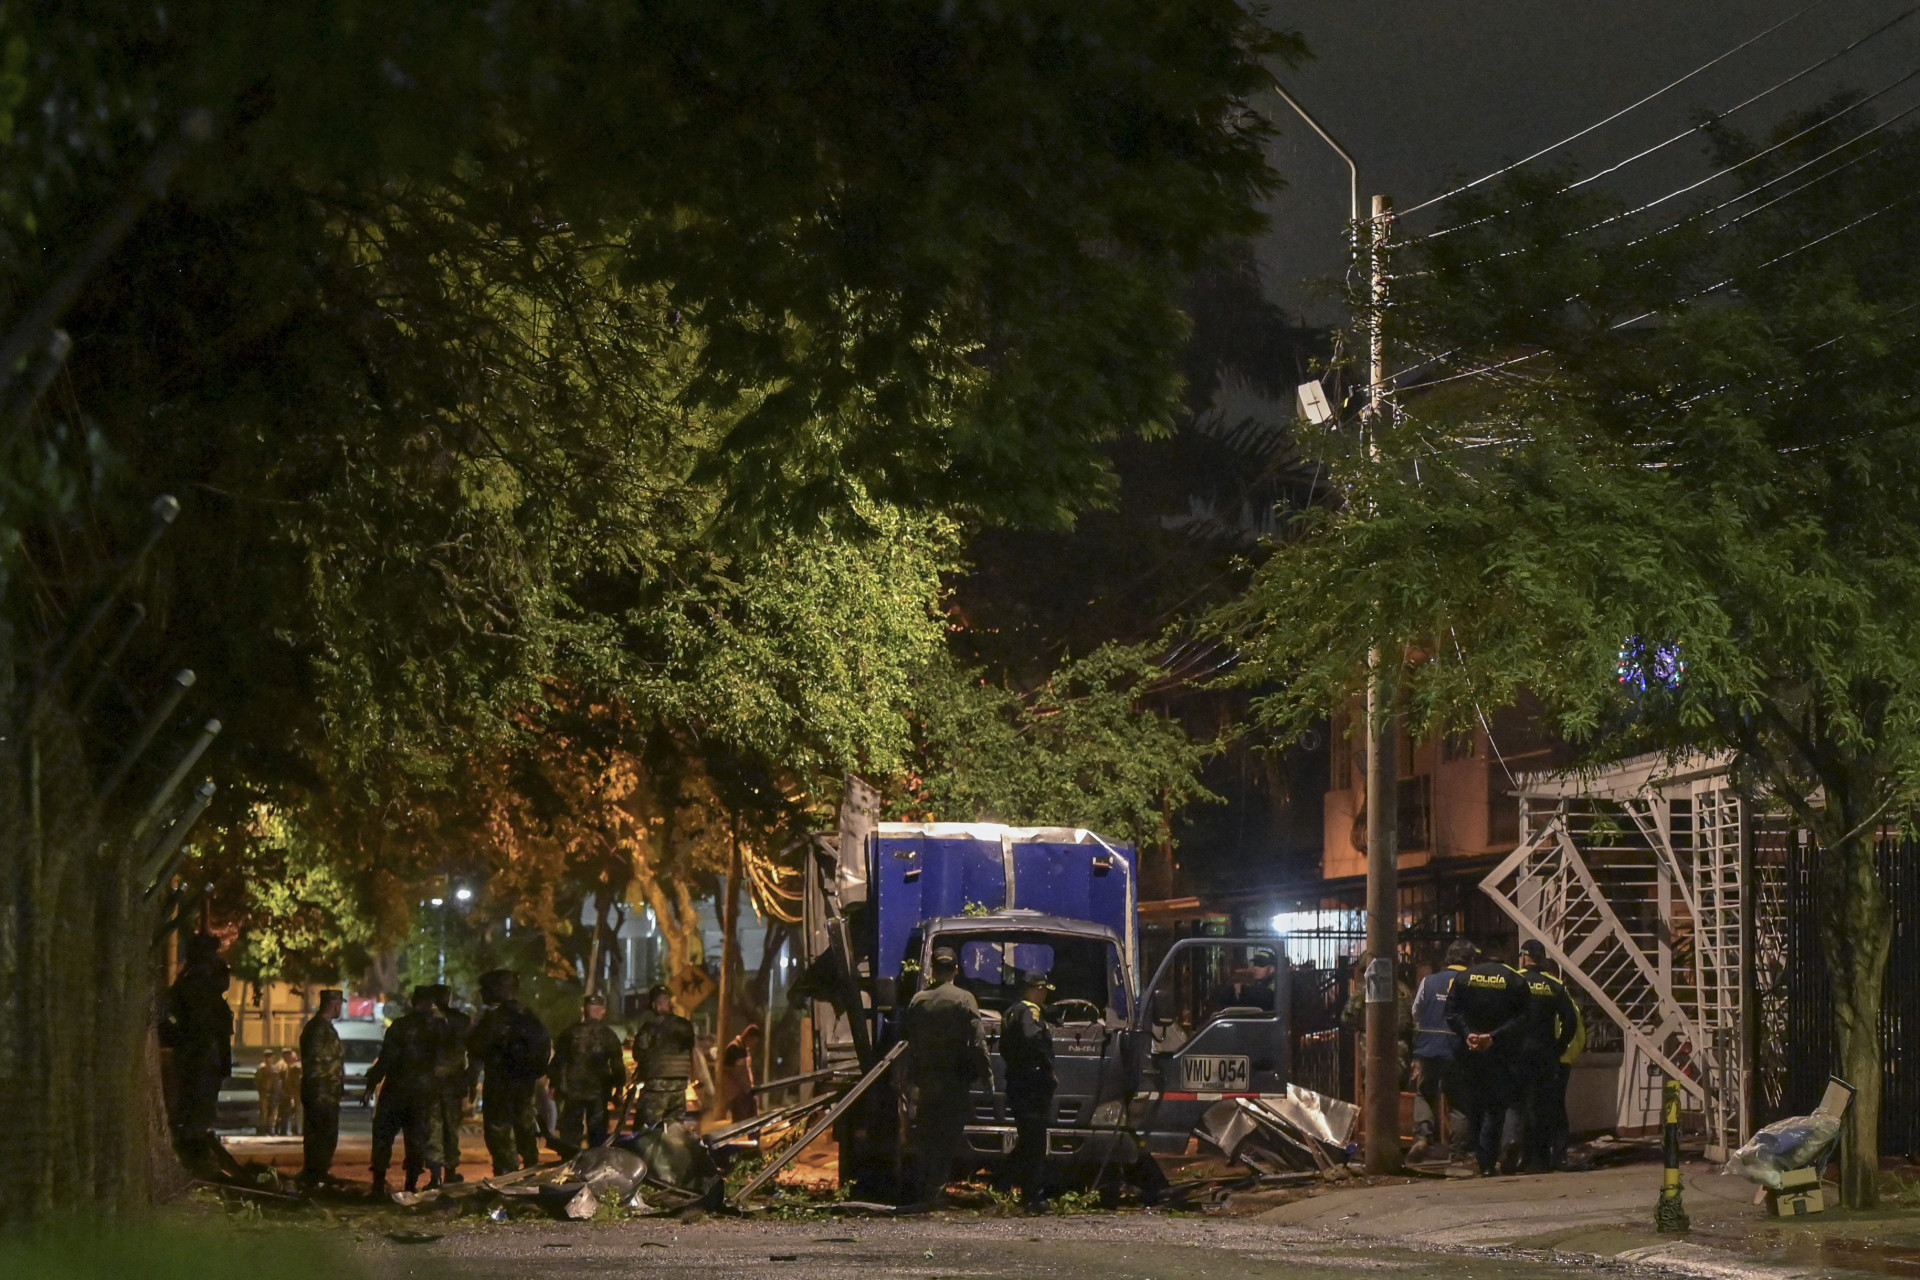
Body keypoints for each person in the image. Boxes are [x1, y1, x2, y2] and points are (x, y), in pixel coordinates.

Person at [903, 947, 991, 1206]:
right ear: (956, 969)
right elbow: (978, 1042)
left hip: (927, 1081)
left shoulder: (918, 1000)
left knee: (927, 1137)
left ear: (932, 969)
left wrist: (906, 1079)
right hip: (954, 1082)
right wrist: (987, 1076)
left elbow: (908, 1042)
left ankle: (923, 1190)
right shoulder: (964, 999)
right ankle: (937, 1190)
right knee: (947, 1138)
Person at [1443, 949, 1533, 1177]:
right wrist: (1494, 1037)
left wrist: (1468, 1034)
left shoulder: (1464, 977)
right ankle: (1499, 1151)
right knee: (1496, 1107)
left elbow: (1451, 1012)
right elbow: (1523, 1018)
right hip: (1502, 1052)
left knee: (1474, 1105)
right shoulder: (1515, 979)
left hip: (1470, 1052)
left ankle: (1483, 1161)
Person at [159, 931, 235, 1175]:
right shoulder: (196, 982)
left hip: (203, 1052)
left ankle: (196, 1152)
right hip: (199, 1053)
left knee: (199, 1107)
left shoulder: (197, 981)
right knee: (196, 1107)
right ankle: (194, 1159)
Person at [468, 968, 552, 1175]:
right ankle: (530, 1166)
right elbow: (544, 1045)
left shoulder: (494, 1018)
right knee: (524, 1125)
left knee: (498, 1130)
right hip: (523, 1083)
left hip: (500, 1084)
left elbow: (477, 1045)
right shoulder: (528, 1015)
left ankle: (506, 1174)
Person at [366, 986, 448, 1195]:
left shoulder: (401, 1027)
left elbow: (387, 1058)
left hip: (396, 1089)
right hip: (423, 1092)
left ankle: (379, 1182)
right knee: (416, 1139)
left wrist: (371, 1083)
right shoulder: (440, 1027)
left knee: (383, 1136)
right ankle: (410, 1185)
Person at [1515, 939, 1583, 1173]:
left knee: (1523, 1105)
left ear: (1523, 957)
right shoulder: (1554, 985)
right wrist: (1559, 1045)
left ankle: (1527, 1158)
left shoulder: (1514, 981)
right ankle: (1545, 1159)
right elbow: (1571, 1021)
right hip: (1546, 1054)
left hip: (1519, 1053)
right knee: (1548, 1105)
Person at [1407, 939, 1476, 1165]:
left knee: (1425, 1093)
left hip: (1428, 1046)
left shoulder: (1429, 981)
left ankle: (1423, 1137)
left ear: (1448, 959)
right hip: (1456, 1048)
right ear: (1471, 960)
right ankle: (1457, 1153)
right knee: (1458, 1101)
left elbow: (1415, 1012)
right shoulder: (1472, 982)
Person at [999, 970, 1057, 1210]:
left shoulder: (1010, 1011)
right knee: (1035, 1143)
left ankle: (1006, 1180)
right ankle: (1033, 1196)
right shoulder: (1030, 1011)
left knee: (1028, 1138)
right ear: (1036, 988)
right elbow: (1033, 1038)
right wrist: (1047, 1067)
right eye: (1043, 990)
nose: (1044, 995)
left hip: (1017, 1082)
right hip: (1032, 1085)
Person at [550, 992, 627, 1155]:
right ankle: (594, 1165)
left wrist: (554, 1085)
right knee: (598, 1134)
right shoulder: (608, 1035)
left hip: (572, 1091)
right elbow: (617, 1065)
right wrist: (619, 1091)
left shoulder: (569, 1033)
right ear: (603, 1011)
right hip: (599, 1092)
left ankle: (569, 1164)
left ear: (583, 1010)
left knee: (571, 1133)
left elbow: (558, 1062)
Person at [297, 989, 346, 1189]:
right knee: (319, 1136)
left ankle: (319, 1173)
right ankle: (314, 1175)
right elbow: (321, 1062)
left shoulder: (324, 1028)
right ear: (333, 1004)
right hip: (320, 1093)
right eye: (340, 1004)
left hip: (326, 1093)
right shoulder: (317, 1029)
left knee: (326, 1136)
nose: (340, 1008)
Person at [630, 983, 696, 1127]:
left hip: (656, 1088)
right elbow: (691, 1050)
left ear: (654, 1005)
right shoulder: (685, 1026)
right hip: (679, 1088)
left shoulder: (650, 1027)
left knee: (646, 1131)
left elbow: (638, 1054)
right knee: (675, 1132)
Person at [425, 984, 471, 1183]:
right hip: (445, 1083)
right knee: (444, 1128)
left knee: (438, 1127)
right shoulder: (458, 1021)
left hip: (440, 1083)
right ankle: (444, 1173)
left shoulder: (430, 1020)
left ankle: (440, 1174)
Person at [720, 1023, 764, 1123]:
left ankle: (754, 1139)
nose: (753, 1045)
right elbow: (729, 1071)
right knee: (739, 1124)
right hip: (737, 1094)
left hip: (747, 1091)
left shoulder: (745, 1049)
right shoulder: (733, 1048)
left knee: (753, 1122)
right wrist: (742, 1086)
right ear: (748, 1036)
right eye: (753, 1041)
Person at [1211, 949, 1279, 1012]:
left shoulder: (1278, 984)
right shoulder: (1255, 982)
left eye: (1261, 965)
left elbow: (1267, 997)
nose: (1255, 968)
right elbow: (1222, 997)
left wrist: (1242, 989)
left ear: (1272, 968)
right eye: (1255, 964)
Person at [255, 1049, 285, 1136]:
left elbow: (280, 1081)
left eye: (270, 1057)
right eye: (267, 1057)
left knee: (273, 1113)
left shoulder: (276, 1068)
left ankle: (271, 1130)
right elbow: (257, 1082)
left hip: (274, 1094)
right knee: (264, 1113)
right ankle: (263, 1130)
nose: (268, 1059)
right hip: (265, 1093)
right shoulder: (261, 1068)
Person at [279, 1049, 303, 1135]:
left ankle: (296, 1129)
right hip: (287, 1094)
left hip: (296, 1093)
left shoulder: (295, 1067)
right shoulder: (282, 1066)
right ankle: (289, 1129)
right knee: (288, 1113)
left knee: (297, 1112)